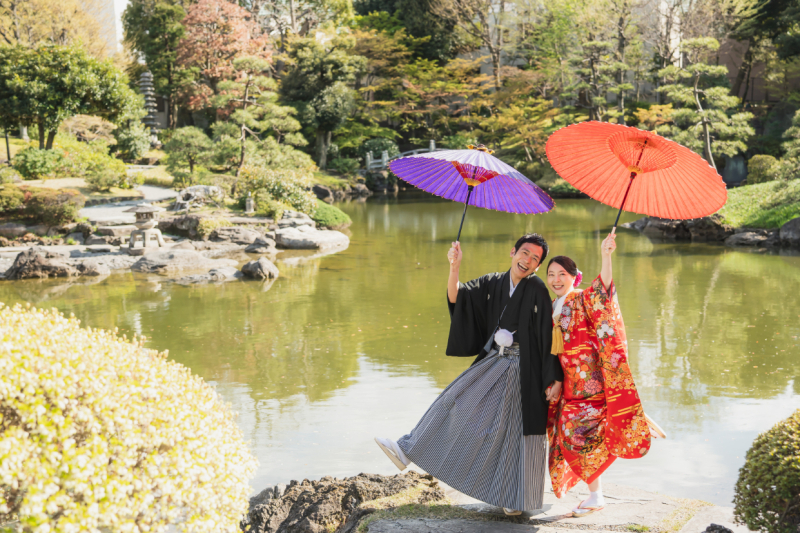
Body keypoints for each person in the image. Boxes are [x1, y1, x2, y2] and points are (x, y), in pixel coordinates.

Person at [375, 234, 564, 515]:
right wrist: (454, 267)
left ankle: (514, 498)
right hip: (496, 361)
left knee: (511, 433)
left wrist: (555, 378)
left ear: (538, 266)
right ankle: (408, 450)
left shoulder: (536, 289)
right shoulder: (491, 282)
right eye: (524, 253)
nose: (527, 260)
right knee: (454, 401)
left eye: (535, 258)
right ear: (513, 252)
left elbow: (547, 336)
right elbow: (458, 298)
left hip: (524, 368)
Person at [545, 233, 652, 518]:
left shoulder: (581, 299)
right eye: (551, 274)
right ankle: (595, 494)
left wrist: (606, 256)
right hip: (568, 383)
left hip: (590, 382)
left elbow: (602, 291)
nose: (556, 280)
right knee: (569, 436)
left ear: (574, 277)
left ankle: (596, 495)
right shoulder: (551, 306)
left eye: (562, 274)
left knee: (577, 436)